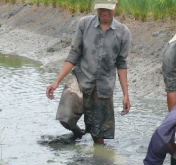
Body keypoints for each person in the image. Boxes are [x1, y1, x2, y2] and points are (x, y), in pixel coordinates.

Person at [46, 0, 131, 145]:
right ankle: (78, 133)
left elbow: (121, 64)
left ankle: (99, 162)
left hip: (103, 87)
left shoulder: (123, 32)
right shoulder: (84, 24)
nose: (104, 12)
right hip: (80, 79)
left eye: (108, 9)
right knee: (65, 118)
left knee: (97, 136)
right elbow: (73, 55)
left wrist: (126, 95)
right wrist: (57, 81)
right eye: (101, 8)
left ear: (116, 6)